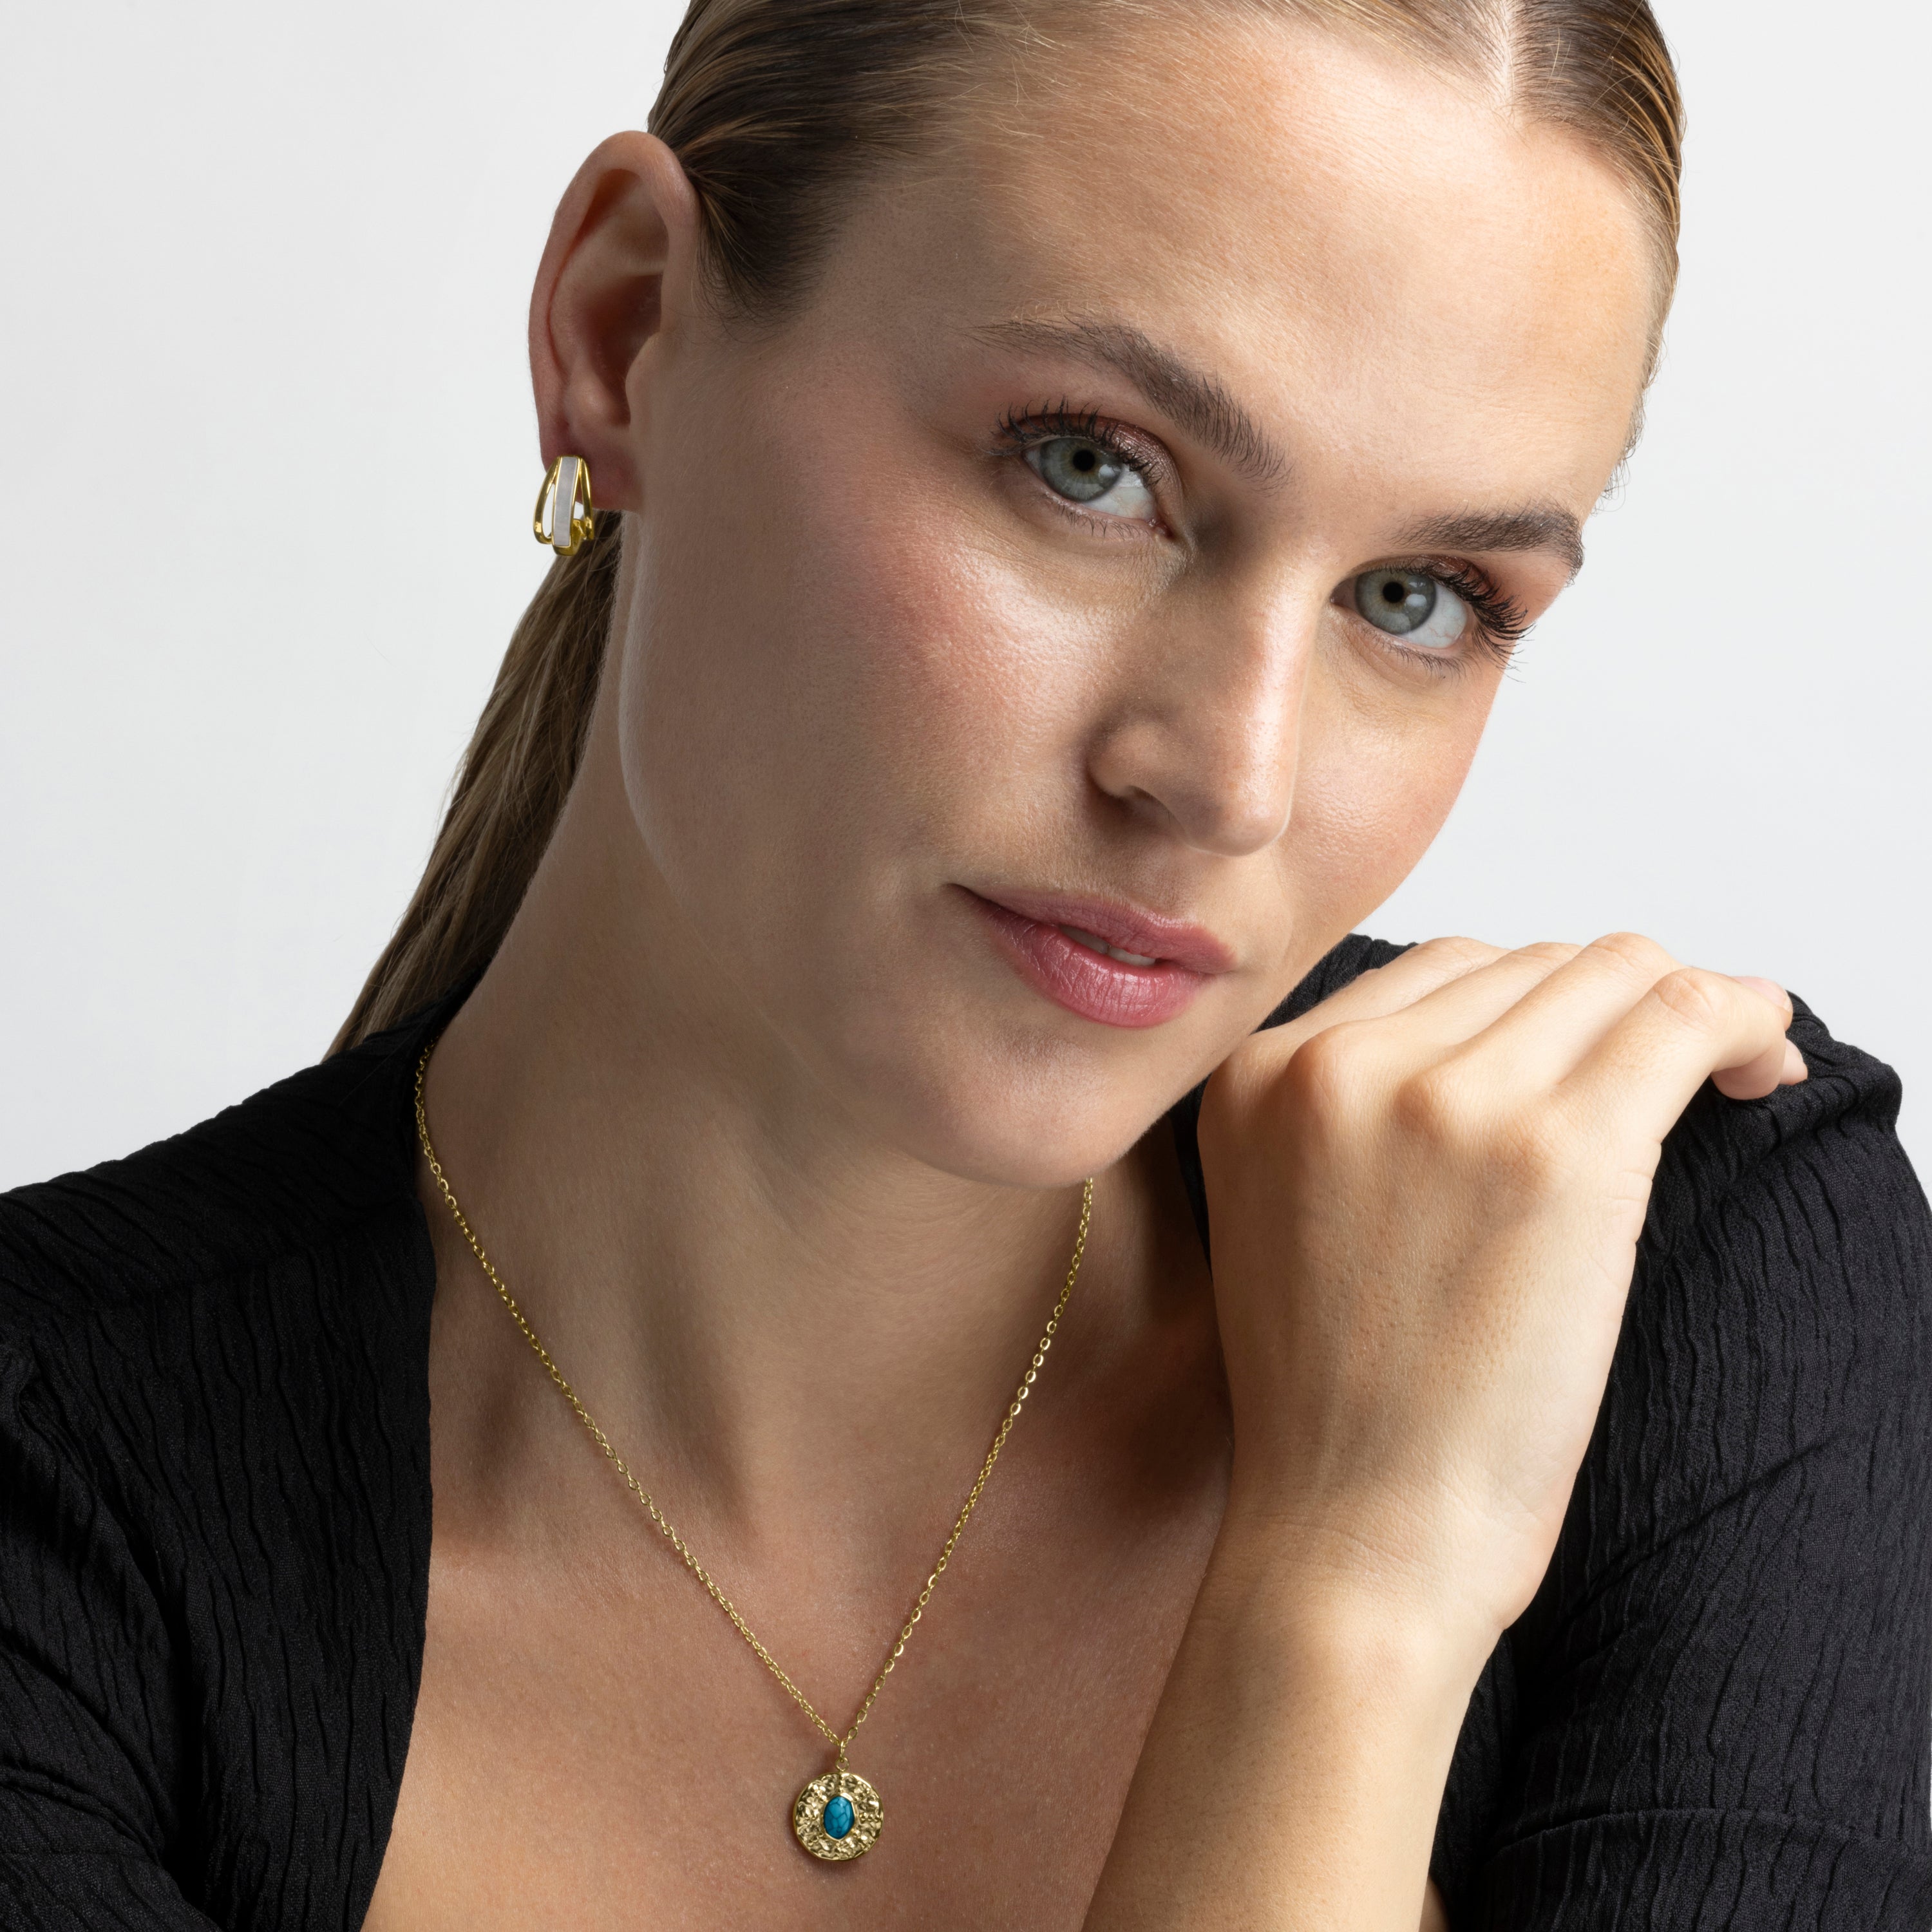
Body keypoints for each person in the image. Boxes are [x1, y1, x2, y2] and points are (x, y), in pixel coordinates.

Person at [3, 0, 1927, 1926]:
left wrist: (1376, 1571)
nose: (1229, 782)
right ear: (624, 328)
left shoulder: (1660, 1269)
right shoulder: (55, 1501)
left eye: (1418, 599)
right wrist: (1351, 1587)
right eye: (1090, 466)